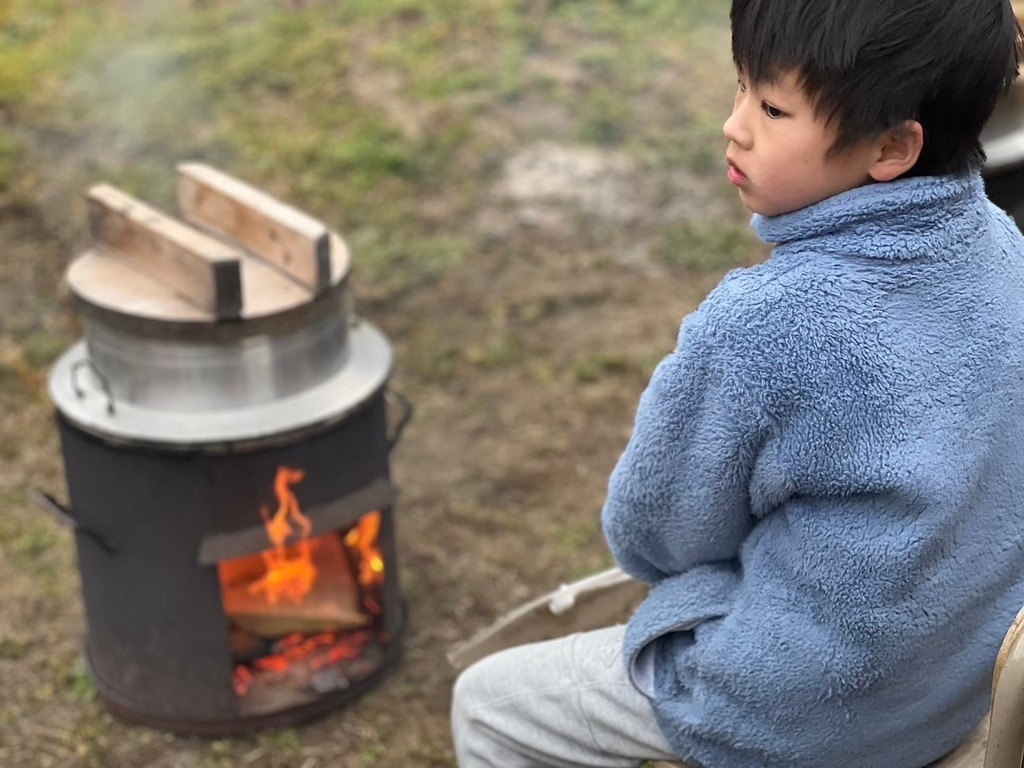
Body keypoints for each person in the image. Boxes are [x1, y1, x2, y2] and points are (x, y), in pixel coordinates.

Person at [450, 0, 1024, 765]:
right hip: (958, 674)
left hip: (816, 707)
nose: (735, 125)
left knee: (490, 705)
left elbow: (655, 533)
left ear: (890, 146)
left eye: (774, 107)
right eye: (742, 89)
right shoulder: (1000, 246)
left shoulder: (764, 324)